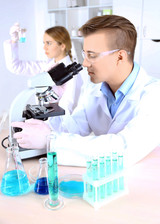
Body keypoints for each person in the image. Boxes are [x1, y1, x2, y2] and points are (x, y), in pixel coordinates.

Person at [11, 15, 160, 167]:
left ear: (120, 57)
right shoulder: (94, 87)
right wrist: (43, 129)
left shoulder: (155, 95)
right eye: (84, 54)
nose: (84, 63)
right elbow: (75, 125)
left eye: (92, 55)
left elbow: (123, 150)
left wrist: (51, 139)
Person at [3, 24, 86, 114]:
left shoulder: (71, 73)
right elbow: (15, 66)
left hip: (59, 123)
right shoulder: (45, 66)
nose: (44, 47)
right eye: (44, 43)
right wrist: (13, 41)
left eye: (49, 43)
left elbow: (68, 107)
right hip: (46, 116)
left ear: (62, 46)